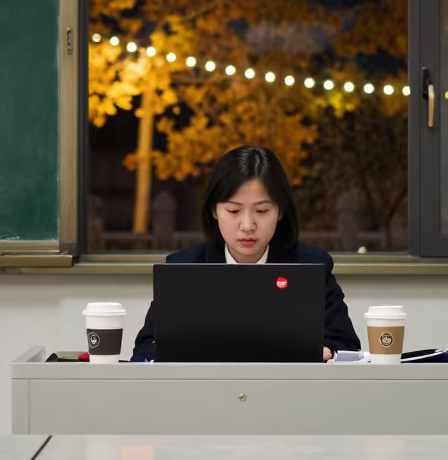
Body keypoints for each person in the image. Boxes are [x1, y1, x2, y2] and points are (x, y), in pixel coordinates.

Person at [131, 145, 361, 362]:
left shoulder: (312, 269)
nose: (248, 225)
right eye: (233, 210)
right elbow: (144, 350)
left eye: (262, 211)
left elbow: (347, 346)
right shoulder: (182, 269)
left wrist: (328, 352)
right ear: (214, 210)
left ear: (280, 211)